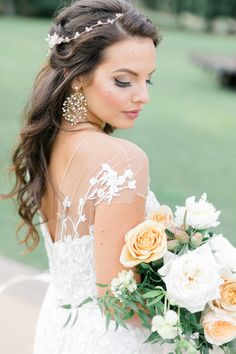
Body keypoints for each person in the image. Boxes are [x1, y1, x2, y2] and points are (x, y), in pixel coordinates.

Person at [4, 0, 174, 353]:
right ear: (79, 76)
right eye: (124, 80)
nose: (142, 96)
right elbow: (117, 300)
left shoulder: (48, 144)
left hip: (58, 328)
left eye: (148, 80)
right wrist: (199, 299)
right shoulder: (122, 159)